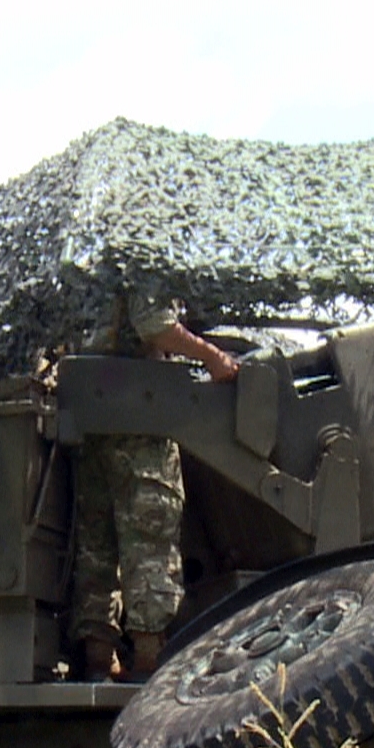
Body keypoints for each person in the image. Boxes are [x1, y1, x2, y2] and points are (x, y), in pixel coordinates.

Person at [73, 292, 238, 682]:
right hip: (141, 420)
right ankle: (148, 660)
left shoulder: (89, 261)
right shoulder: (142, 250)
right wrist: (211, 356)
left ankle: (99, 658)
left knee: (95, 545)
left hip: (90, 419)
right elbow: (153, 323)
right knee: (150, 536)